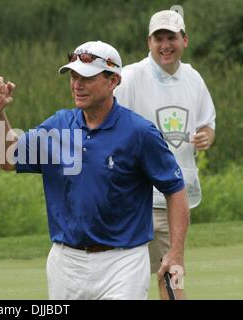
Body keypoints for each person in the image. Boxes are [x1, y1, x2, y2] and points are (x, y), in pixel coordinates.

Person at [0, 40, 190, 300]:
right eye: (74, 76)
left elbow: (175, 189)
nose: (77, 84)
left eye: (87, 77)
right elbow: (7, 158)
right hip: (66, 263)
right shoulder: (58, 125)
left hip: (123, 263)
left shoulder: (140, 133)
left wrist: (175, 252)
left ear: (114, 81)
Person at [114, 10, 216, 299]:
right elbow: (108, 125)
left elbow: (208, 123)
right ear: (149, 41)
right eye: (158, 38)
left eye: (171, 37)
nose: (164, 45)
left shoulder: (193, 78)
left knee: (172, 274)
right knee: (123, 279)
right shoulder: (131, 77)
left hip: (175, 200)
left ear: (184, 40)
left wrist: (206, 137)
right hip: (134, 199)